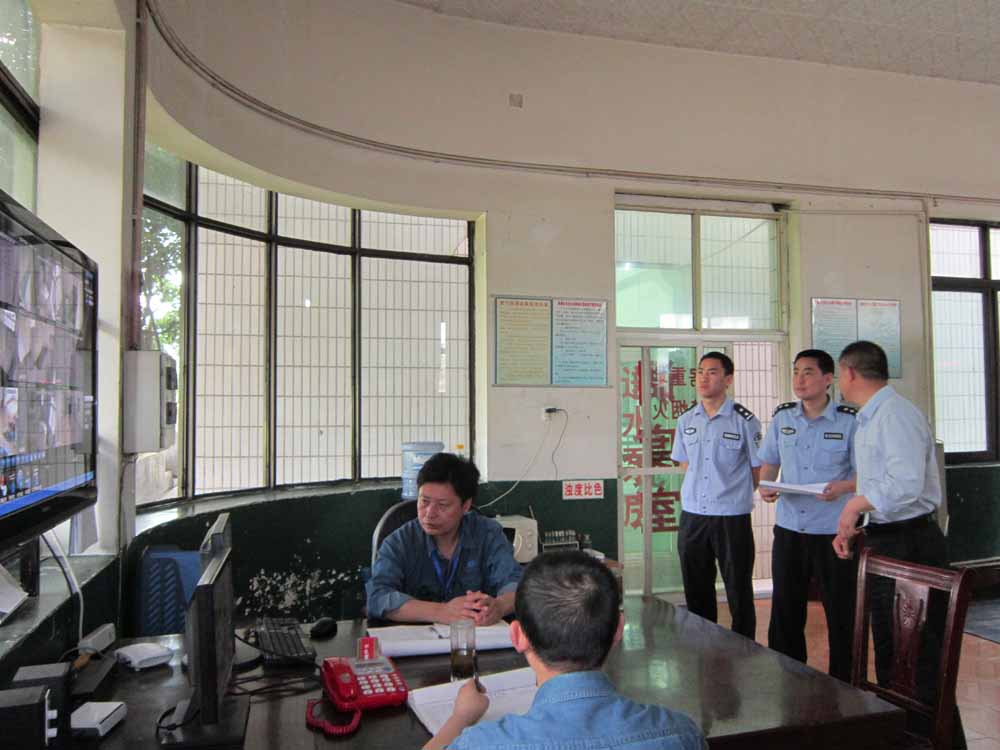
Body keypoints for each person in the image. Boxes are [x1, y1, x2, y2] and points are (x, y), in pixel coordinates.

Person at [425, 550, 707, 750]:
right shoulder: (681, 734)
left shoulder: (483, 743)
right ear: (619, 629)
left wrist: (460, 717)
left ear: (518, 636)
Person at [832, 340, 964, 748]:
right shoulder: (870, 417)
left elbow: (905, 485)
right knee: (892, 648)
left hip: (911, 543)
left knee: (918, 652)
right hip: (887, 539)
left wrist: (854, 505)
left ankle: (933, 741)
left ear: (849, 373)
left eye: (838, 374)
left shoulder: (895, 415)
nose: (839, 382)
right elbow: (879, 484)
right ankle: (904, 737)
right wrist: (857, 522)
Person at [758, 349, 858, 680]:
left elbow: (866, 475)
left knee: (841, 611)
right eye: (796, 372)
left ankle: (843, 681)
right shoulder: (783, 418)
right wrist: (766, 485)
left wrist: (843, 487)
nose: (799, 380)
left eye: (808, 372)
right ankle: (788, 677)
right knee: (785, 609)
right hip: (790, 527)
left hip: (833, 532)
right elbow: (770, 460)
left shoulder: (850, 420)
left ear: (828, 379)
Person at [366, 452, 521, 625]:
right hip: (415, 638)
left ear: (466, 506)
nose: (430, 513)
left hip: (475, 636)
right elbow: (377, 596)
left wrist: (499, 606)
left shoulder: (487, 534)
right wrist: (441, 611)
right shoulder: (399, 542)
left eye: (443, 505)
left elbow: (516, 585)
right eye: (424, 501)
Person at [670, 352, 761, 639]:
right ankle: (702, 645)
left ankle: (743, 647)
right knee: (696, 588)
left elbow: (757, 468)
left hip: (731, 517)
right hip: (693, 516)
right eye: (700, 372)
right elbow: (684, 463)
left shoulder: (744, 420)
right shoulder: (686, 420)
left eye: (712, 372)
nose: (703, 378)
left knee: (738, 589)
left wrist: (732, 493)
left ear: (728, 379)